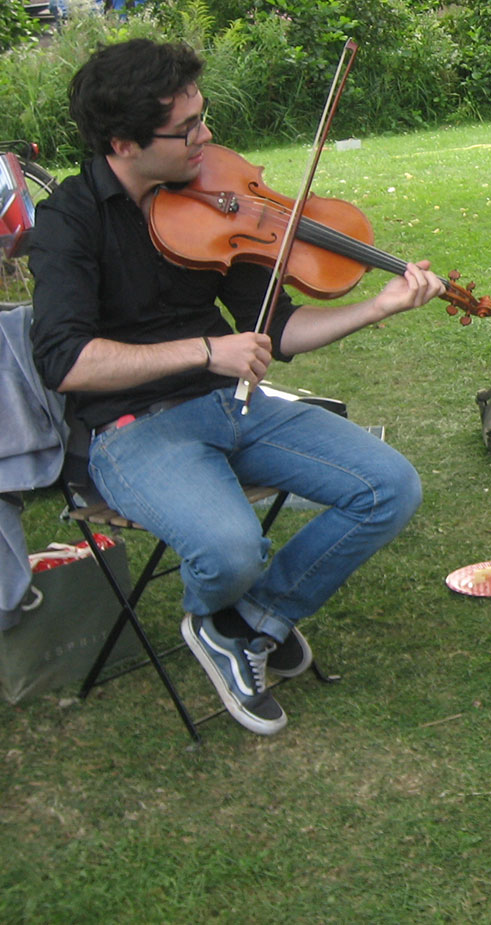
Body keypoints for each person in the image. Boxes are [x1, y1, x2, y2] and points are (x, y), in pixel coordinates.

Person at [27, 38, 449, 736]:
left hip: (234, 405)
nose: (206, 137)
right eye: (186, 128)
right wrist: (206, 350)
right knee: (231, 548)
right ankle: (230, 614)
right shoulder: (70, 220)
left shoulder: (214, 197)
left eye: (203, 117)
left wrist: (377, 306)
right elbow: (65, 361)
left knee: (388, 486)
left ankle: (249, 620)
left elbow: (278, 327)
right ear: (125, 143)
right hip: (134, 431)